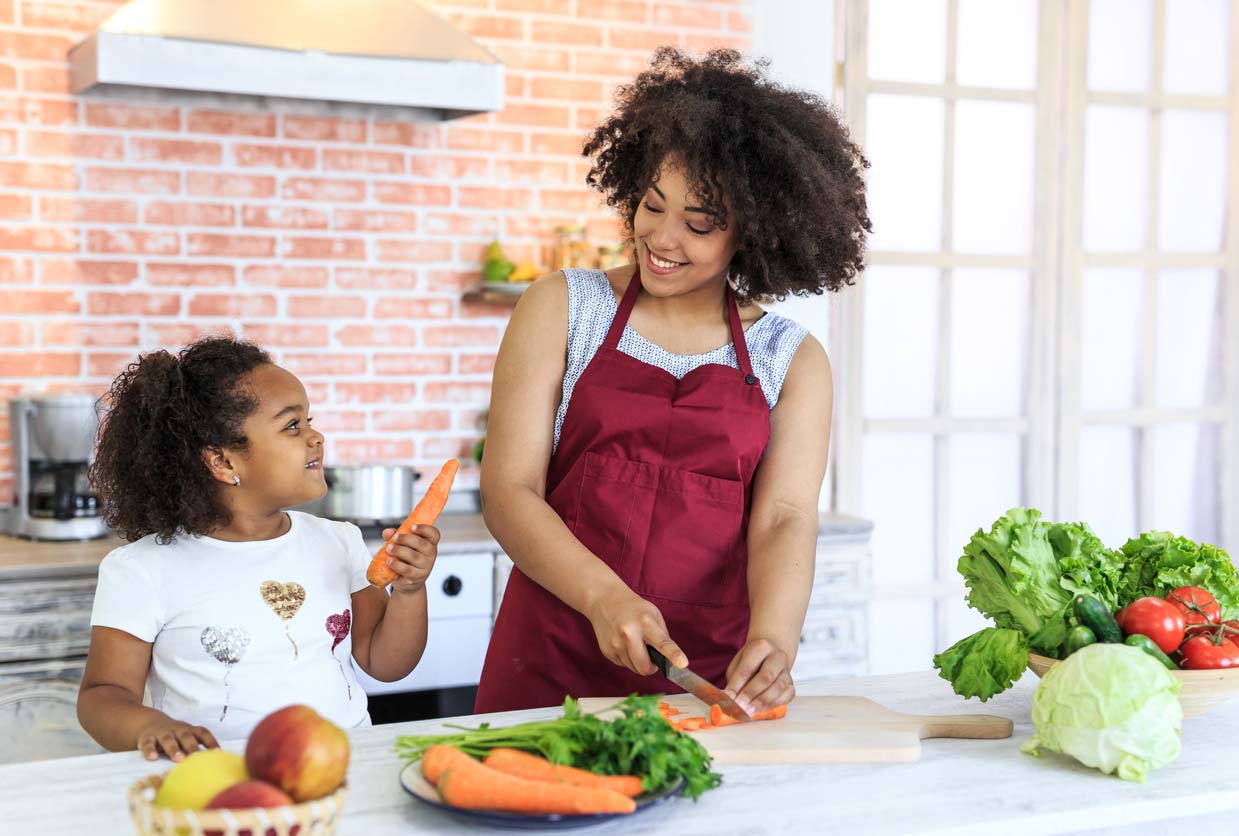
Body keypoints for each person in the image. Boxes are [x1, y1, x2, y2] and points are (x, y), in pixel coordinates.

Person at [475, 47, 870, 715]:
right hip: (549, 657)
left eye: (699, 224)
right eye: (652, 206)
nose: (661, 237)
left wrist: (774, 637)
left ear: (753, 231)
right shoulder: (563, 308)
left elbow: (783, 517)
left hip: (704, 675)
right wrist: (604, 597)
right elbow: (509, 489)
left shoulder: (791, 359)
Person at [77, 336, 440, 760]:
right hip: (219, 777)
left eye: (309, 420)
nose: (316, 437)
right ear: (224, 462)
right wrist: (153, 726)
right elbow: (102, 695)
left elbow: (386, 663)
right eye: (292, 426)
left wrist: (411, 590)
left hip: (342, 764)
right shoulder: (142, 570)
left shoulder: (339, 542)